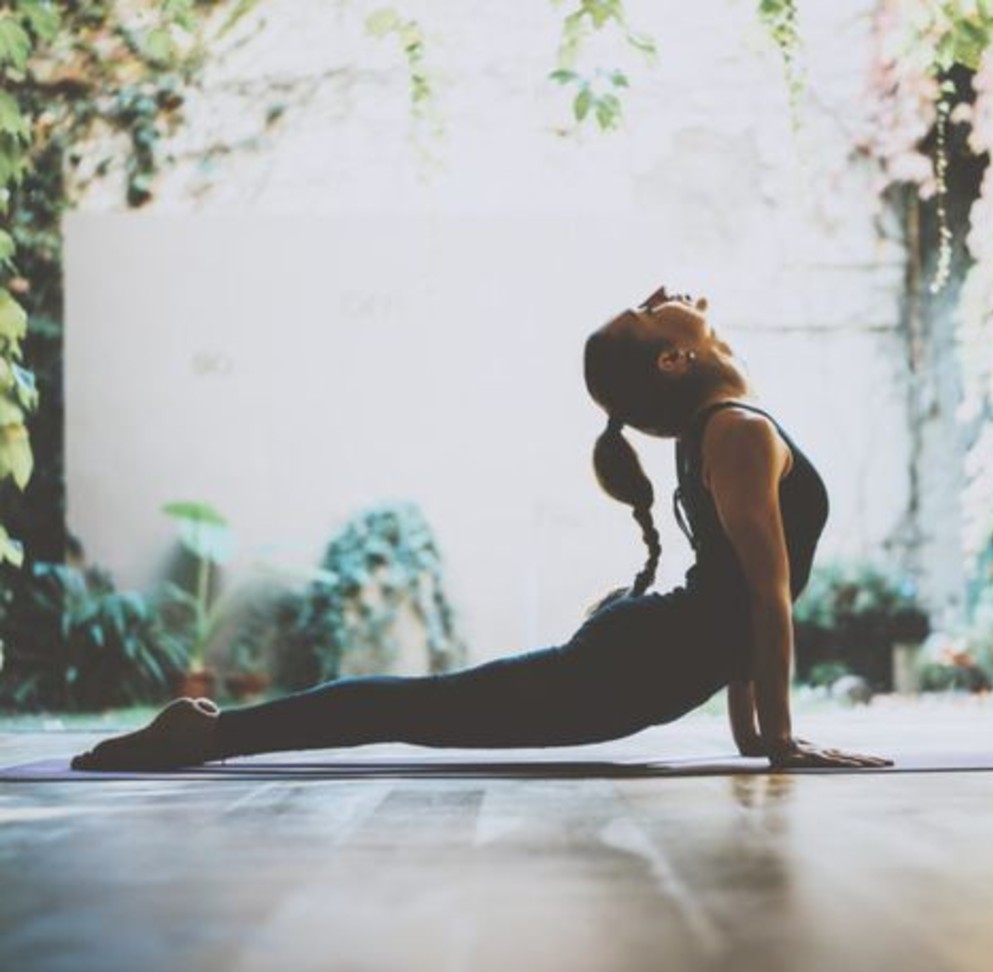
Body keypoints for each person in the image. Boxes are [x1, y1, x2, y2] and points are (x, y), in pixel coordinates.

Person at [71, 286, 891, 772]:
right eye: (649, 309)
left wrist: (755, 735)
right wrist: (776, 739)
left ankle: (212, 732)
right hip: (635, 667)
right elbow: (762, 594)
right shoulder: (736, 430)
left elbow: (741, 598)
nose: (670, 296)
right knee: (418, 707)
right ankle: (210, 732)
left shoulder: (721, 428)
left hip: (648, 663)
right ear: (673, 359)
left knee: (424, 708)